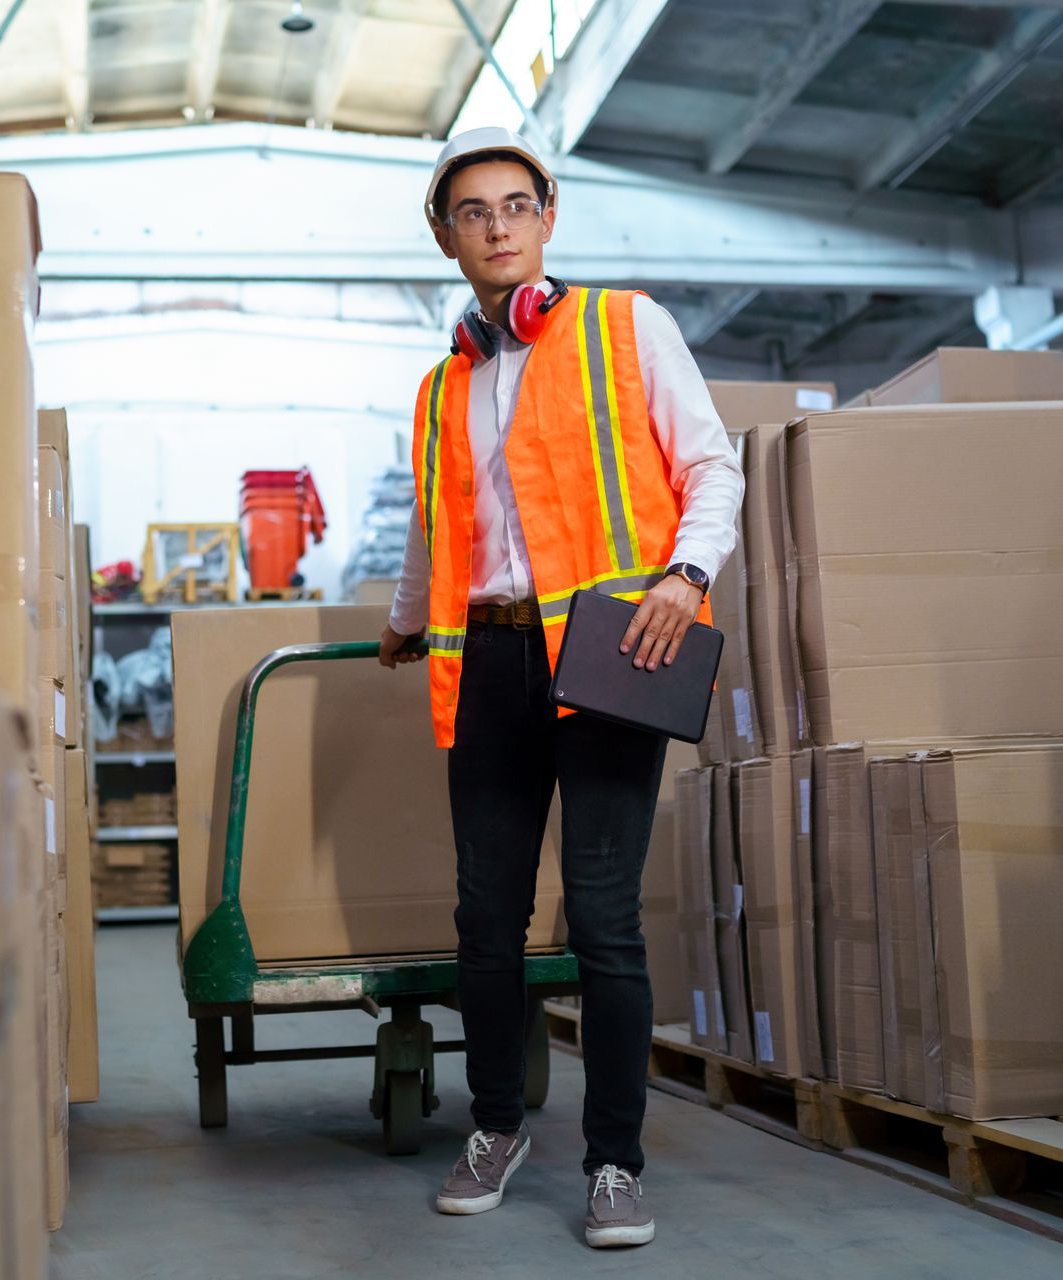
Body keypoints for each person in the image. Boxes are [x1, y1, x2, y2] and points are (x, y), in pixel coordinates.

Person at [377, 126, 745, 1248]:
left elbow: (711, 463)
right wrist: (403, 624)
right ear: (446, 239)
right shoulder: (443, 385)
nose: (497, 226)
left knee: (603, 917)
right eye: (472, 212)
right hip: (486, 660)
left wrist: (686, 575)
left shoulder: (627, 326)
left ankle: (616, 1159)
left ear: (548, 218)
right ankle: (496, 1124)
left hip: (609, 652)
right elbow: (437, 529)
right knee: (485, 915)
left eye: (515, 205)